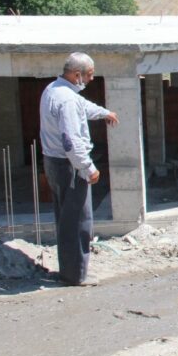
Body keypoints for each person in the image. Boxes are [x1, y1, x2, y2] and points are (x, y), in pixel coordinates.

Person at [40, 52, 119, 286]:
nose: (92, 79)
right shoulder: (67, 100)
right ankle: (76, 276)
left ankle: (69, 271)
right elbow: (71, 141)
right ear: (77, 75)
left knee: (65, 218)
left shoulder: (54, 90)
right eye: (90, 75)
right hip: (69, 166)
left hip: (53, 162)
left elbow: (83, 107)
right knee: (78, 221)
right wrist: (88, 167)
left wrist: (104, 113)